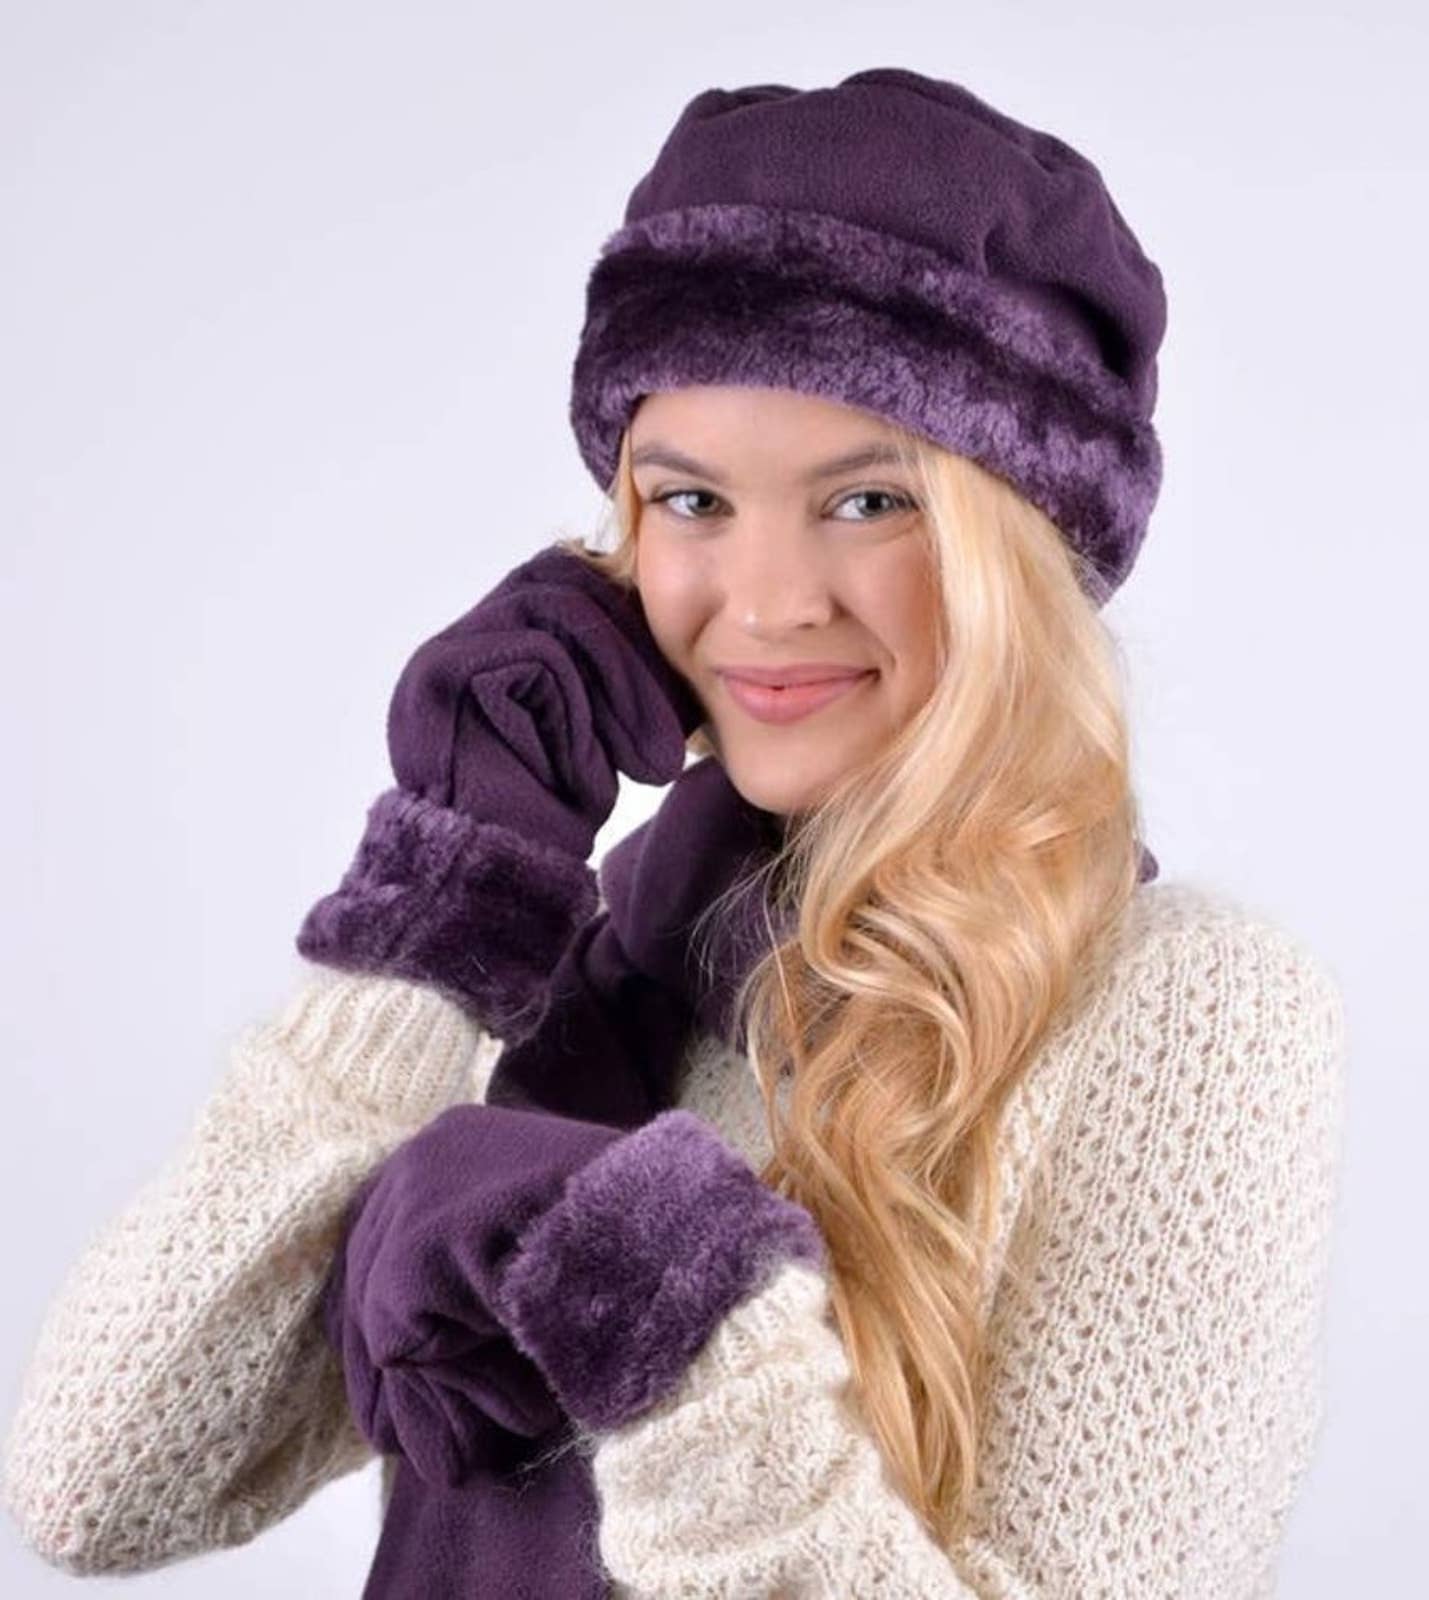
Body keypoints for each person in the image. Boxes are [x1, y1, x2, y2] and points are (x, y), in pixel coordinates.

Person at [0, 66, 1347, 1597]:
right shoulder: (597, 985)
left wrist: (665, 1312)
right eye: (694, 501)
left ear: (1019, 555)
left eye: (867, 503)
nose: (763, 604)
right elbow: (96, 1485)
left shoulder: (1185, 1009)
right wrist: (443, 908)